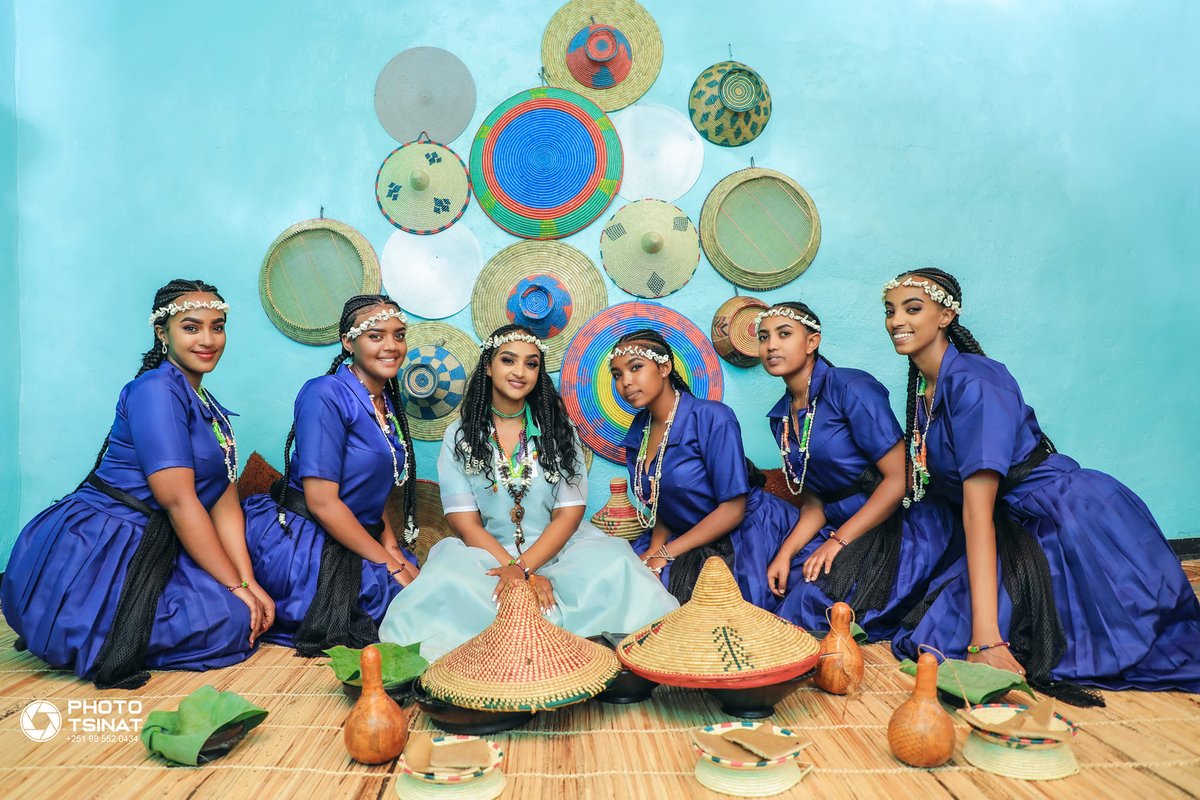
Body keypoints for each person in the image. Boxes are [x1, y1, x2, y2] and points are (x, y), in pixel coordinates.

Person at [884, 267, 1200, 700]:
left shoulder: (975, 382)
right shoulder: (927, 386)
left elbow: (977, 510)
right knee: (931, 630)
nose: (897, 320)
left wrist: (988, 640)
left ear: (945, 317)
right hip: (1014, 521)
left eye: (912, 308)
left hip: (1066, 519)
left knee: (966, 641)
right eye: (890, 310)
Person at [1, 279, 272, 688]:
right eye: (191, 327)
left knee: (251, 611)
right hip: (106, 540)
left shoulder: (205, 402)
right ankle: (72, 618)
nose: (208, 339)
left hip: (163, 536)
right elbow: (180, 502)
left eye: (217, 326)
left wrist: (249, 584)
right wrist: (235, 587)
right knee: (232, 620)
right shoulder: (155, 390)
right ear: (162, 333)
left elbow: (223, 501)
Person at [380, 325, 677, 660]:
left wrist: (524, 570)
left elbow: (569, 515)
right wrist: (512, 571)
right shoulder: (459, 436)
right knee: (446, 574)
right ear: (489, 366)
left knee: (616, 562)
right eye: (509, 360)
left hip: (563, 552)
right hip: (491, 556)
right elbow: (466, 524)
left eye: (532, 364)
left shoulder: (560, 429)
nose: (520, 372)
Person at [756, 303, 959, 639]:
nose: (771, 345)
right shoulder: (782, 420)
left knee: (812, 605)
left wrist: (838, 542)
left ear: (812, 342)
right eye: (764, 337)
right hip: (840, 528)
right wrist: (785, 553)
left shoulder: (850, 388)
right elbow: (815, 505)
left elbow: (900, 479)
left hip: (895, 528)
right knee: (776, 585)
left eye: (784, 334)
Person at [243, 295, 420, 656]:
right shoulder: (324, 393)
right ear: (347, 341)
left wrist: (391, 547)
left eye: (398, 335)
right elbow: (322, 501)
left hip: (358, 529)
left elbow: (371, 486)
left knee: (418, 593)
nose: (391, 346)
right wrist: (387, 564)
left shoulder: (386, 400)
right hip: (304, 536)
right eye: (376, 336)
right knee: (381, 613)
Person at [610, 329, 800, 608]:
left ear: (664, 367)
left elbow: (733, 510)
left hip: (744, 532)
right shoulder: (640, 427)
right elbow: (663, 501)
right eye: (617, 374)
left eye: (636, 368)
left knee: (697, 607)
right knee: (628, 584)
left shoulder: (712, 417)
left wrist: (666, 552)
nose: (626, 382)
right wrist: (652, 552)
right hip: (683, 534)